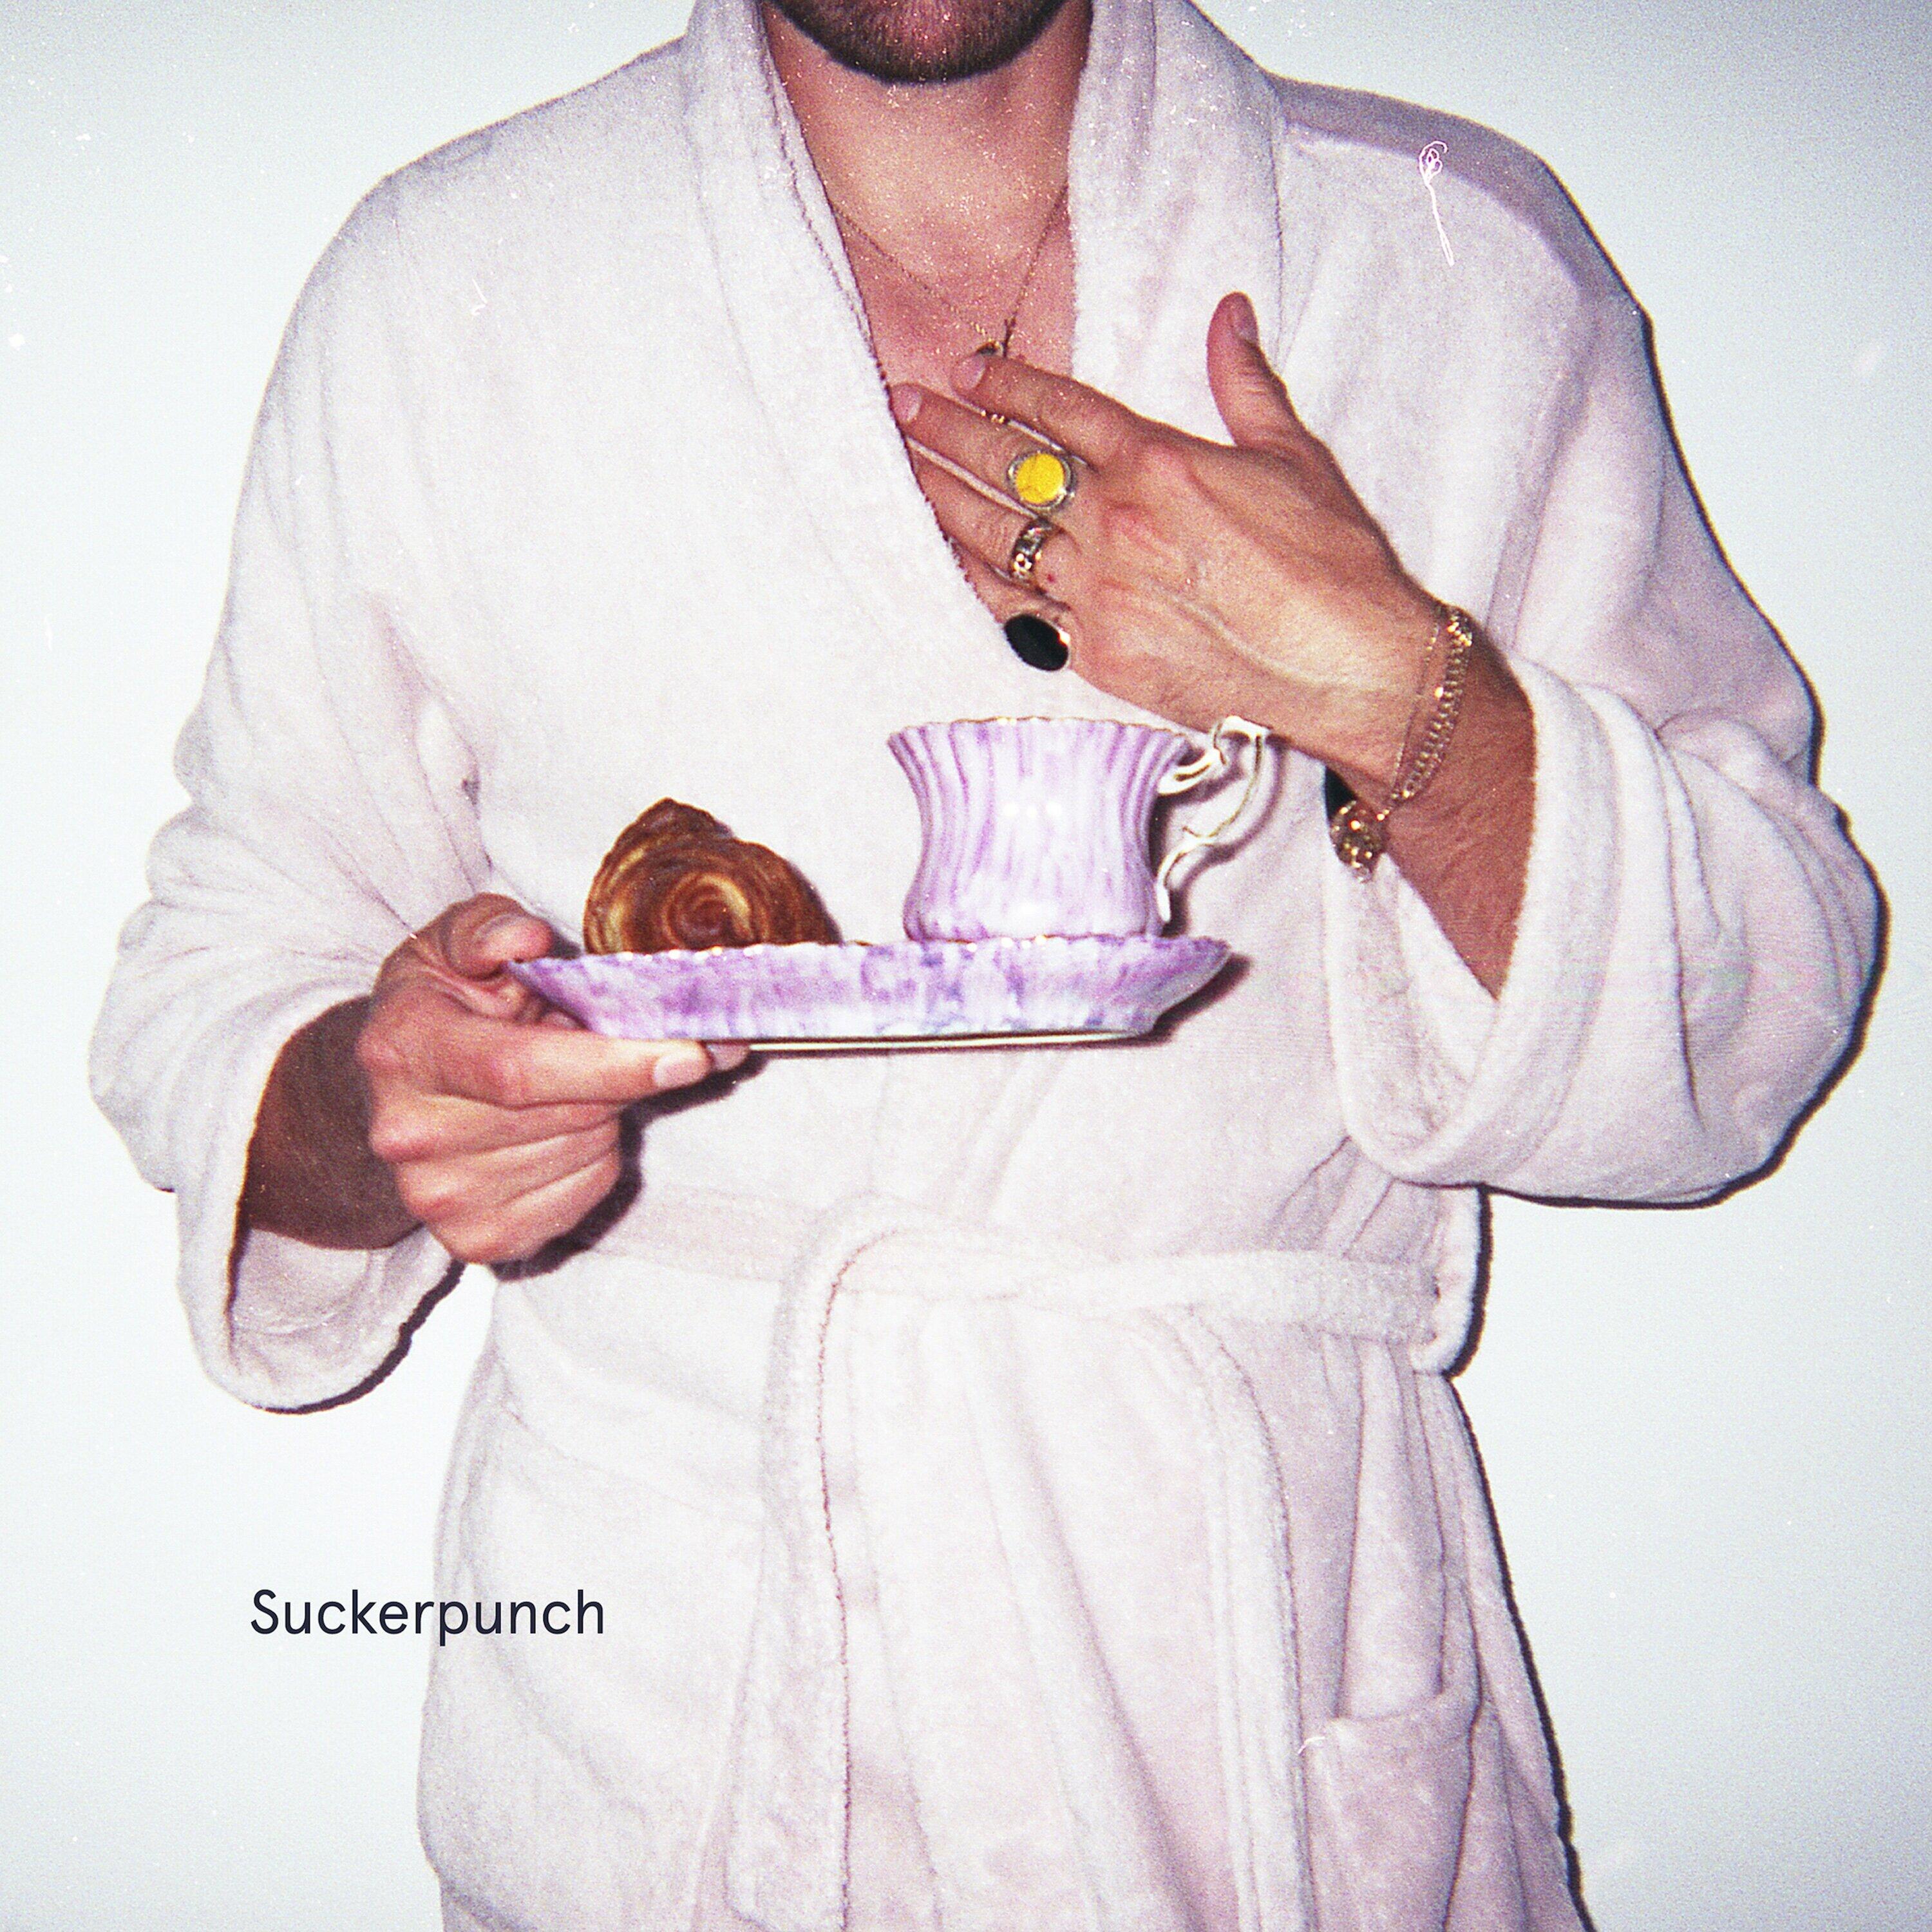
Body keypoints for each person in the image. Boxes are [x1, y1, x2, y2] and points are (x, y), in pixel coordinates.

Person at [91, 0, 1876, 1925]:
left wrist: (1394, 691)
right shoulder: (455, 285)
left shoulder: (1445, 260)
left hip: (1242, 1689)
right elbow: (218, 974)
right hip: (679, 1708)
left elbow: (1750, 1012)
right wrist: (389, 1106)